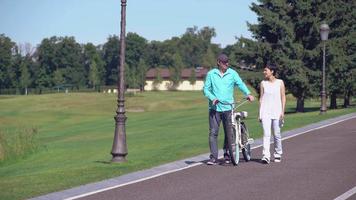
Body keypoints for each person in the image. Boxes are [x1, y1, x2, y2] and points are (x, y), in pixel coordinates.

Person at [203, 54, 255, 165]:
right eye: (224, 62)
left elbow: (240, 84)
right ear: (218, 62)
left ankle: (227, 154)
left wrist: (248, 94)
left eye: (227, 62)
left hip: (228, 108)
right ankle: (213, 157)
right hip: (215, 109)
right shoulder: (211, 74)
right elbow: (206, 89)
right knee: (213, 132)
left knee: (229, 133)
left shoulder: (232, 73)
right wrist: (213, 98)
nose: (227, 64)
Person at [259, 63, 286, 164]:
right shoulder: (263, 83)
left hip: (277, 111)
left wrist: (282, 111)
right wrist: (260, 113)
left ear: (272, 71)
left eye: (266, 70)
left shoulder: (280, 82)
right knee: (266, 134)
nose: (264, 72)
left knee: (277, 134)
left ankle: (277, 153)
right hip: (265, 112)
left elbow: (283, 97)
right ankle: (266, 155)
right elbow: (261, 98)